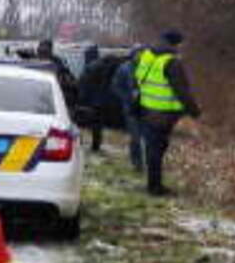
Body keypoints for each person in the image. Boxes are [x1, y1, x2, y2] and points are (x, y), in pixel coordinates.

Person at [133, 30, 202, 196]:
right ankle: (155, 188)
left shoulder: (147, 56)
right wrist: (195, 112)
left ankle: (153, 184)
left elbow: (137, 79)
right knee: (157, 149)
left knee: (153, 148)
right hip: (162, 113)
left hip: (145, 109)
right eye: (182, 44)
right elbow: (182, 91)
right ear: (176, 44)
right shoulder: (171, 62)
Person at [77, 52, 120, 153]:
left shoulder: (92, 67)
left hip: (91, 100)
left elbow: (83, 83)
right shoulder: (105, 68)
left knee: (85, 122)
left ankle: (89, 144)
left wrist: (82, 98)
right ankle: (95, 145)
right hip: (99, 101)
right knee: (96, 125)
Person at [112, 50, 146, 172]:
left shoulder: (148, 67)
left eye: (142, 54)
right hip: (130, 107)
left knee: (146, 137)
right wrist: (127, 96)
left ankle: (144, 162)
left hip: (146, 107)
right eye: (138, 54)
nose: (140, 56)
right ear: (133, 55)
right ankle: (137, 163)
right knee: (135, 135)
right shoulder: (124, 68)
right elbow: (115, 86)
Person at [38, 39, 79, 114]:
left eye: (45, 51)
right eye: (42, 51)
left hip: (55, 101)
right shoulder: (33, 63)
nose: (44, 54)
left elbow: (71, 83)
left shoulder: (57, 63)